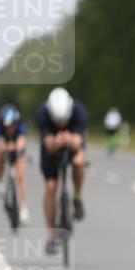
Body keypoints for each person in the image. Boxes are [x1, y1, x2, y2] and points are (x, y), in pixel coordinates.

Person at [35, 87, 89, 254]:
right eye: (57, 122)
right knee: (51, 187)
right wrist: (56, 142)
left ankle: (77, 197)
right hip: (51, 150)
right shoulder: (42, 114)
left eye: (64, 121)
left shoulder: (79, 111)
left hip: (73, 144)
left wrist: (70, 140)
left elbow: (79, 141)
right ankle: (51, 234)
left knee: (80, 162)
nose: (61, 125)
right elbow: (48, 144)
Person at [0, 104, 31, 225]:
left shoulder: (21, 126)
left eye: (12, 126)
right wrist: (4, 147)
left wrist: (17, 148)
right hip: (5, 148)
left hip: (17, 150)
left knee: (20, 176)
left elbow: (22, 140)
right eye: (7, 126)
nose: (9, 128)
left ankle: (23, 207)